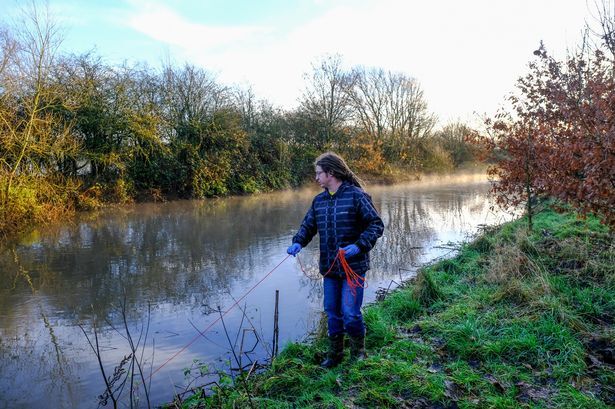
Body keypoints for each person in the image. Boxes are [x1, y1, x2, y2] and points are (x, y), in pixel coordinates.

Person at [287, 152, 384, 368]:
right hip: (330, 269)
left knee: (350, 313)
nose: (316, 178)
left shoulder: (357, 196)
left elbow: (376, 225)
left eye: (319, 173)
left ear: (331, 173)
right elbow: (308, 226)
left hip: (353, 267)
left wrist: (358, 246)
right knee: (332, 313)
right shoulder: (319, 201)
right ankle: (335, 355)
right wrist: (298, 242)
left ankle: (358, 353)